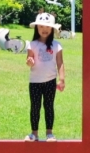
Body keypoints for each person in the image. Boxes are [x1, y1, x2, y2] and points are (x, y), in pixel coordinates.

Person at [24, 12, 65, 141]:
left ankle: (49, 133)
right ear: (37, 28)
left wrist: (62, 79)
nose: (44, 29)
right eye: (41, 27)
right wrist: (30, 62)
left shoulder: (57, 45)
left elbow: (60, 63)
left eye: (47, 27)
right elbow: (29, 61)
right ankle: (34, 134)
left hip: (50, 81)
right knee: (35, 107)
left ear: (52, 28)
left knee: (49, 106)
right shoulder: (32, 44)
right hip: (35, 82)